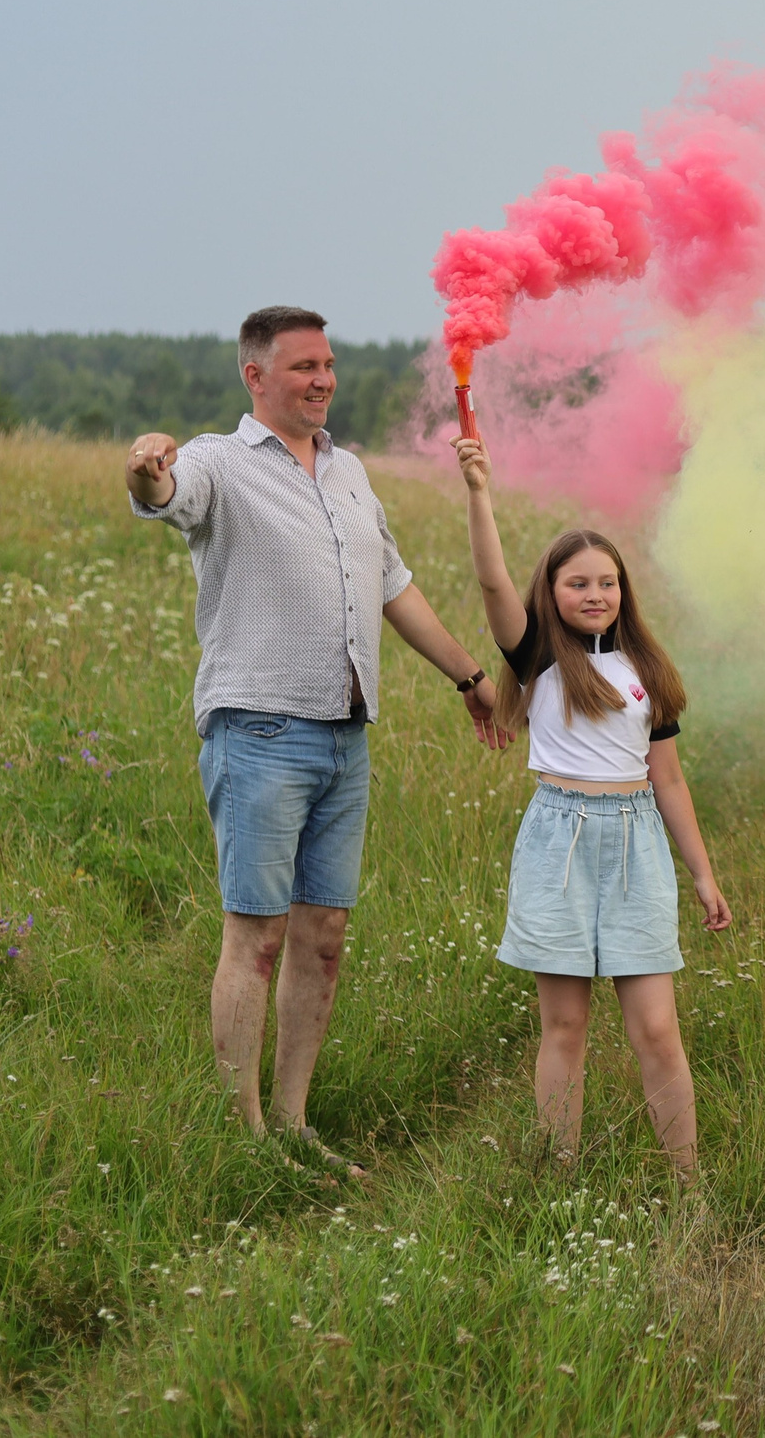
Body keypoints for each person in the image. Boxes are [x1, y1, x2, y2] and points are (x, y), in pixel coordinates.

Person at [125, 306, 504, 1177]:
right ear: (255, 376)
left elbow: (393, 587)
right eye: (303, 366)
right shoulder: (218, 461)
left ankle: (294, 1125)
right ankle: (243, 1136)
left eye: (328, 364)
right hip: (259, 730)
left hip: (344, 738)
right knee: (255, 938)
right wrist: (145, 471)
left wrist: (470, 677)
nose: (323, 379)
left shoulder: (349, 472)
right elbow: (165, 497)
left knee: (323, 935)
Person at [454, 436, 730, 1172]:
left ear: (623, 591)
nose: (595, 594)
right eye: (577, 583)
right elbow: (491, 582)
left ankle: (687, 1178)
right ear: (551, 592)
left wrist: (703, 874)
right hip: (560, 839)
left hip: (637, 845)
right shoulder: (539, 657)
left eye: (607, 582)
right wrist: (479, 491)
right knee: (565, 1025)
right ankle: (560, 1171)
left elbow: (669, 781)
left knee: (657, 1029)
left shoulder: (646, 670)